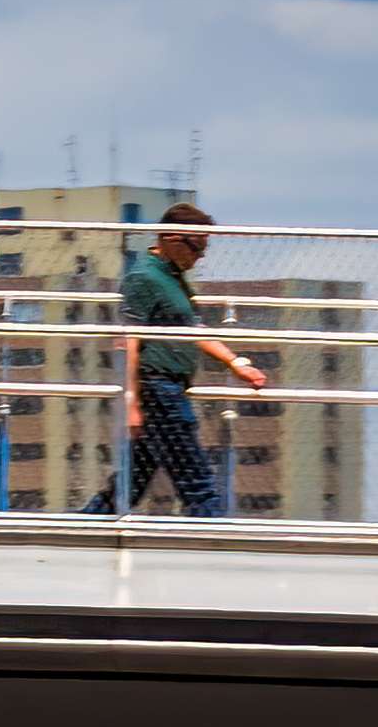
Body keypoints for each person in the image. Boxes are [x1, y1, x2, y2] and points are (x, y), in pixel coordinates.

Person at [82, 200, 266, 518]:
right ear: (171, 238)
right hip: (159, 391)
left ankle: (74, 533)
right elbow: (127, 341)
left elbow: (193, 328)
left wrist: (235, 363)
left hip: (169, 390)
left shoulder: (174, 278)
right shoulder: (144, 278)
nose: (201, 255)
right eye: (197, 246)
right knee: (199, 486)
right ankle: (216, 549)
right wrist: (131, 404)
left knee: (128, 486)